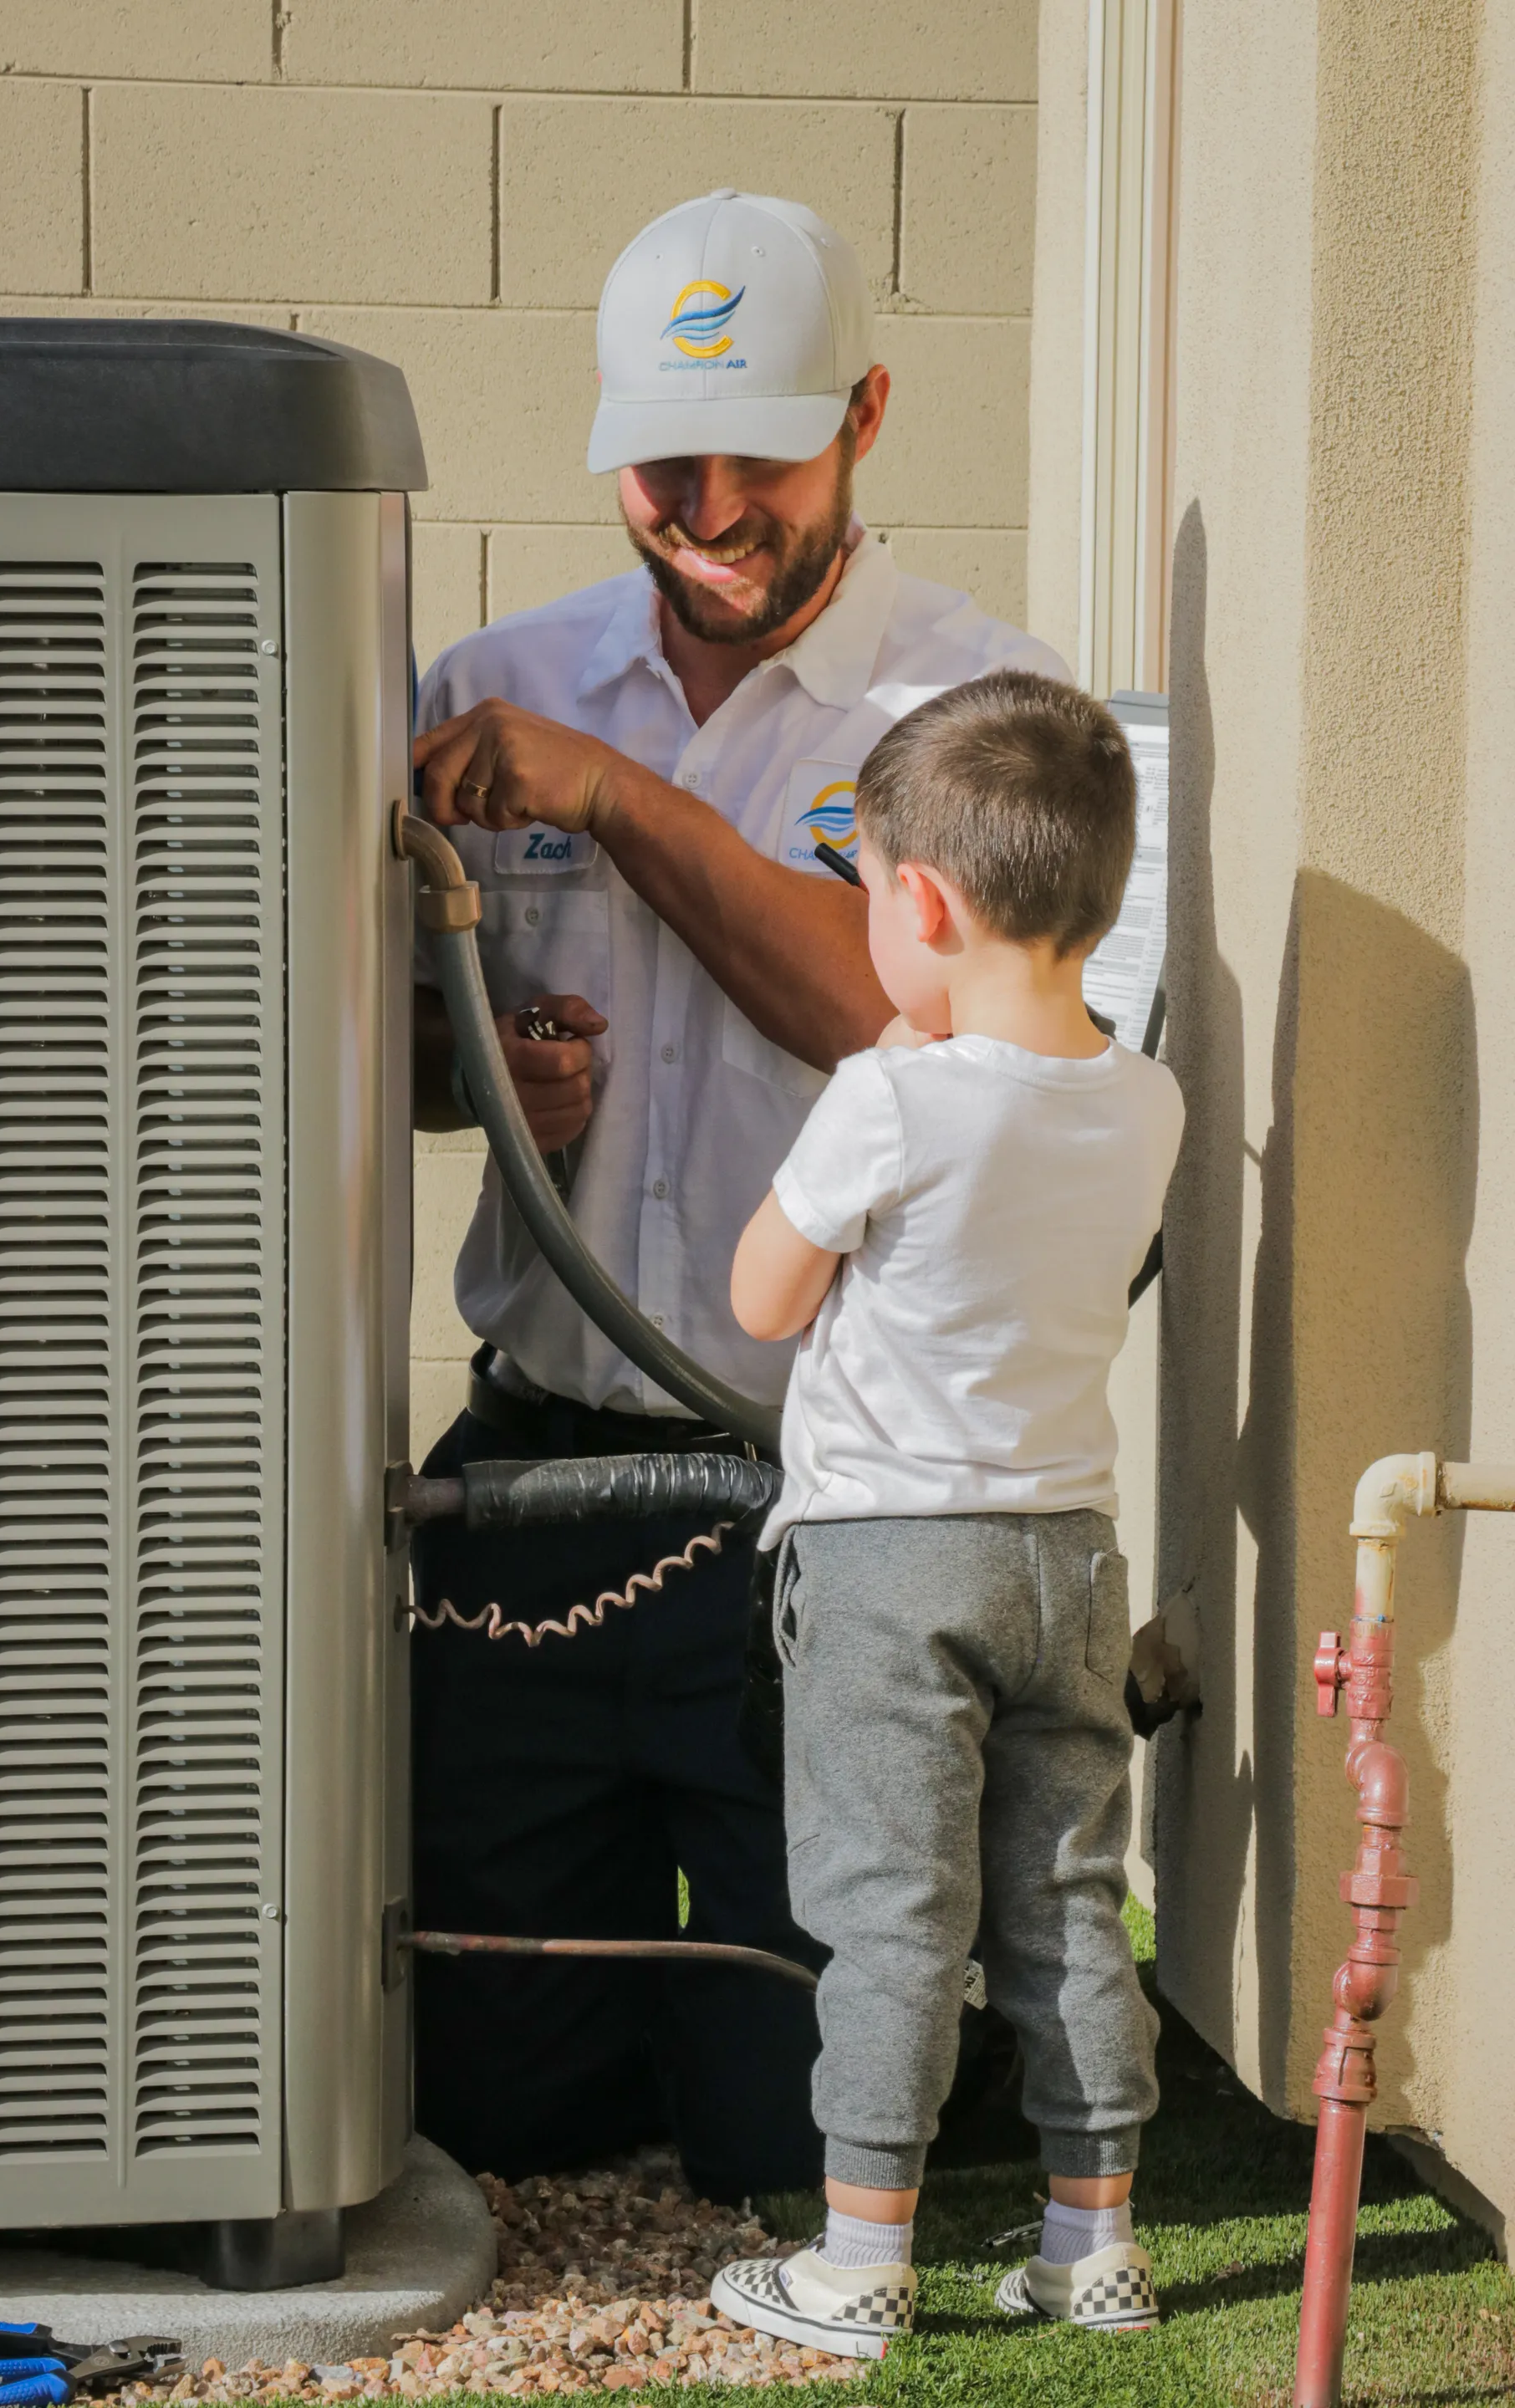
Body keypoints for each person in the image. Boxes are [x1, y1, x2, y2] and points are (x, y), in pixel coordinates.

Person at [408, 187, 1069, 2204]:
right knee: (495, 2101)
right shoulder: (493, 674)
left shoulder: (971, 713)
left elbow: (894, 1022)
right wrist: (489, 1073)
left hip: (823, 1500)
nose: (708, 502)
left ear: (864, 412)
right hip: (541, 1480)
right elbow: (394, 1057)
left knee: (791, 2123)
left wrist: (623, 801)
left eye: (759, 452)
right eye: (665, 458)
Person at [714, 671, 1183, 2350]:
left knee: (891, 1909)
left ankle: (859, 2259)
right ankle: (1094, 2243)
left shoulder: (889, 1097)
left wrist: (871, 1082)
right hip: (1068, 1552)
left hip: (893, 1562)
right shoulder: (1147, 1101)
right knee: (1067, 1898)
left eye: (871, 906)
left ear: (924, 901)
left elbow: (762, 1298)